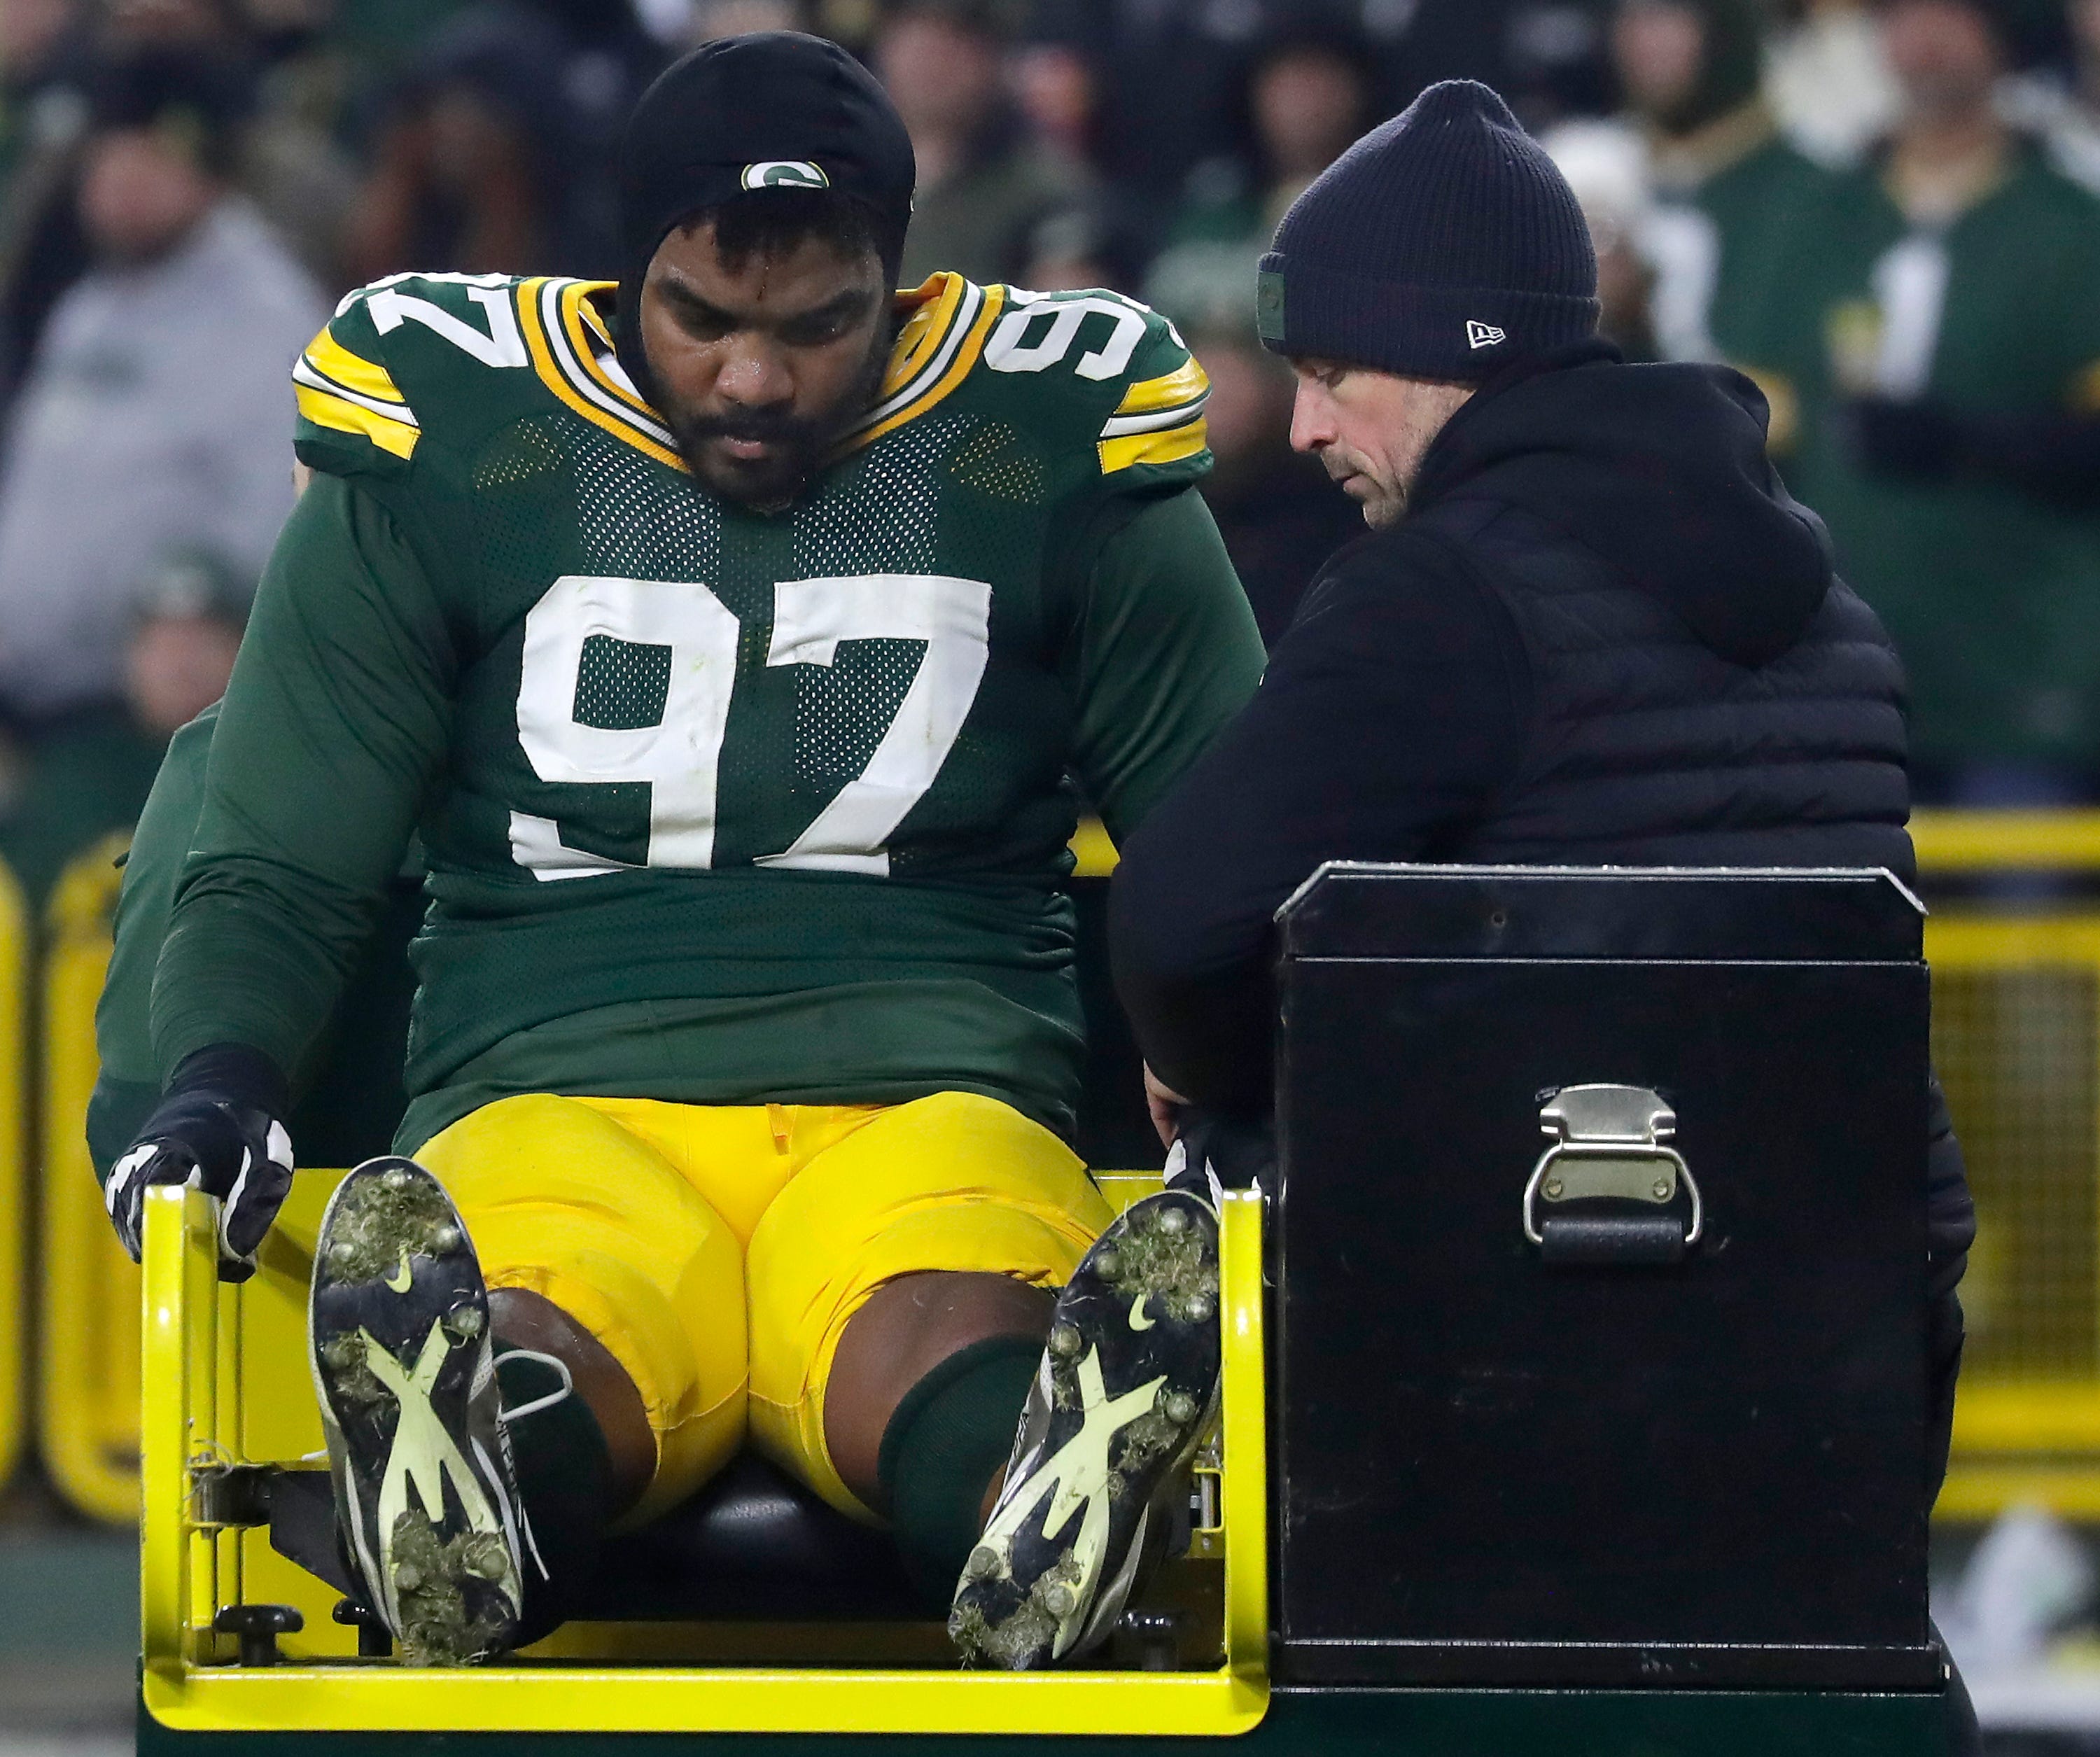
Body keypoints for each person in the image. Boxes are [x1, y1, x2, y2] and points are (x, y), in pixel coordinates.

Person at [97, 31, 1265, 1673]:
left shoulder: (1046, 444)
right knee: (538, 1321)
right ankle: (473, 1490)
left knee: (943, 1309)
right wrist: (214, 1075)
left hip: (923, 1088)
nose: (753, 379)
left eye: (817, 325)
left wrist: (1253, 1074)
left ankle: (1039, 1484)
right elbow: (282, 831)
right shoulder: (459, 439)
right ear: (611, 271)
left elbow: (1223, 827)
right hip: (549, 1089)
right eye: (701, 318)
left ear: (905, 283)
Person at [1103, 80, 1976, 1738]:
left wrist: (1221, 1071)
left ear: (1448, 353)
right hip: (1846, 1326)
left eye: (1327, 374)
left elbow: (1173, 927)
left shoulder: (1441, 591)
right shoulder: (1825, 596)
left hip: (1530, 1340)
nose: (1297, 430)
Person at [1779, 0, 2100, 805]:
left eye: (1951, 14)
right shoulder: (1820, 213)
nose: (1921, 39)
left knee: (2030, 930)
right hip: (1841, 677)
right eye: (1899, 12)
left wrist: (1965, 440)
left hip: (2023, 674)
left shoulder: (2071, 224)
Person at [0, 45, 326, 722]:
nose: (121, 182)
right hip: (36, 709)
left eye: (149, 158)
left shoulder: (265, 317)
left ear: (210, 173)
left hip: (153, 720)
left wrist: (198, 613)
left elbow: (291, 520)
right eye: (108, 158)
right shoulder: (90, 305)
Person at [876, 0, 1086, 290]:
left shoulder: (1041, 192)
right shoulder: (841, 168)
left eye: (956, 39)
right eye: (917, 33)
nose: (933, 57)